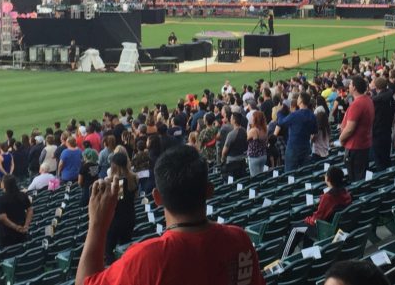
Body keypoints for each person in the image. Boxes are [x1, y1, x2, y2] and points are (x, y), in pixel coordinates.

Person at [75, 145, 263, 285]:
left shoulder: (147, 258)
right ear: (209, 191)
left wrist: (97, 225)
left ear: (157, 198)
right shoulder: (239, 239)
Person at [104, 152, 138, 263]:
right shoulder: (133, 177)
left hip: (117, 220)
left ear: (114, 165)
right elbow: (135, 196)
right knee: (125, 248)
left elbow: (116, 201)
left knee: (109, 251)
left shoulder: (117, 182)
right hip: (130, 216)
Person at [340, 76, 373, 182]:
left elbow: (349, 129)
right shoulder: (368, 100)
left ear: (354, 87)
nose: (348, 86)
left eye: (350, 84)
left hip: (355, 147)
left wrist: (341, 139)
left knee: (356, 179)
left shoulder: (357, 104)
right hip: (363, 144)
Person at [274, 91, 317, 172]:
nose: (297, 100)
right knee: (305, 173)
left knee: (290, 174)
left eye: (298, 98)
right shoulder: (312, 115)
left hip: (293, 149)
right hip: (306, 147)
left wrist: (279, 112)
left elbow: (281, 122)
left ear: (301, 101)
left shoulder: (295, 115)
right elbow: (314, 132)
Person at [0, 175, 33, 247]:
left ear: (4, 184)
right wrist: (26, 225)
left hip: (7, 235)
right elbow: (30, 210)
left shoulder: (1, 200)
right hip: (22, 231)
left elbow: (3, 218)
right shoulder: (23, 195)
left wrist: (16, 227)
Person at [370, 77, 395, 169]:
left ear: (376, 87)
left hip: (378, 134)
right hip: (387, 131)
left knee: (380, 162)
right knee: (386, 159)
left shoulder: (376, 101)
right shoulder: (391, 97)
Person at [221, 113, 248, 181]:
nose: (230, 119)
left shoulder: (231, 134)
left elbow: (224, 151)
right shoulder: (244, 131)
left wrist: (222, 159)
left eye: (231, 118)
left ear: (234, 120)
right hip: (242, 161)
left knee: (231, 184)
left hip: (232, 164)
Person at [246, 111, 269, 177]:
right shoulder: (265, 129)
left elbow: (247, 138)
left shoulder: (254, 130)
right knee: (261, 175)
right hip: (263, 155)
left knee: (255, 177)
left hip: (254, 157)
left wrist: (249, 126)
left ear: (255, 119)